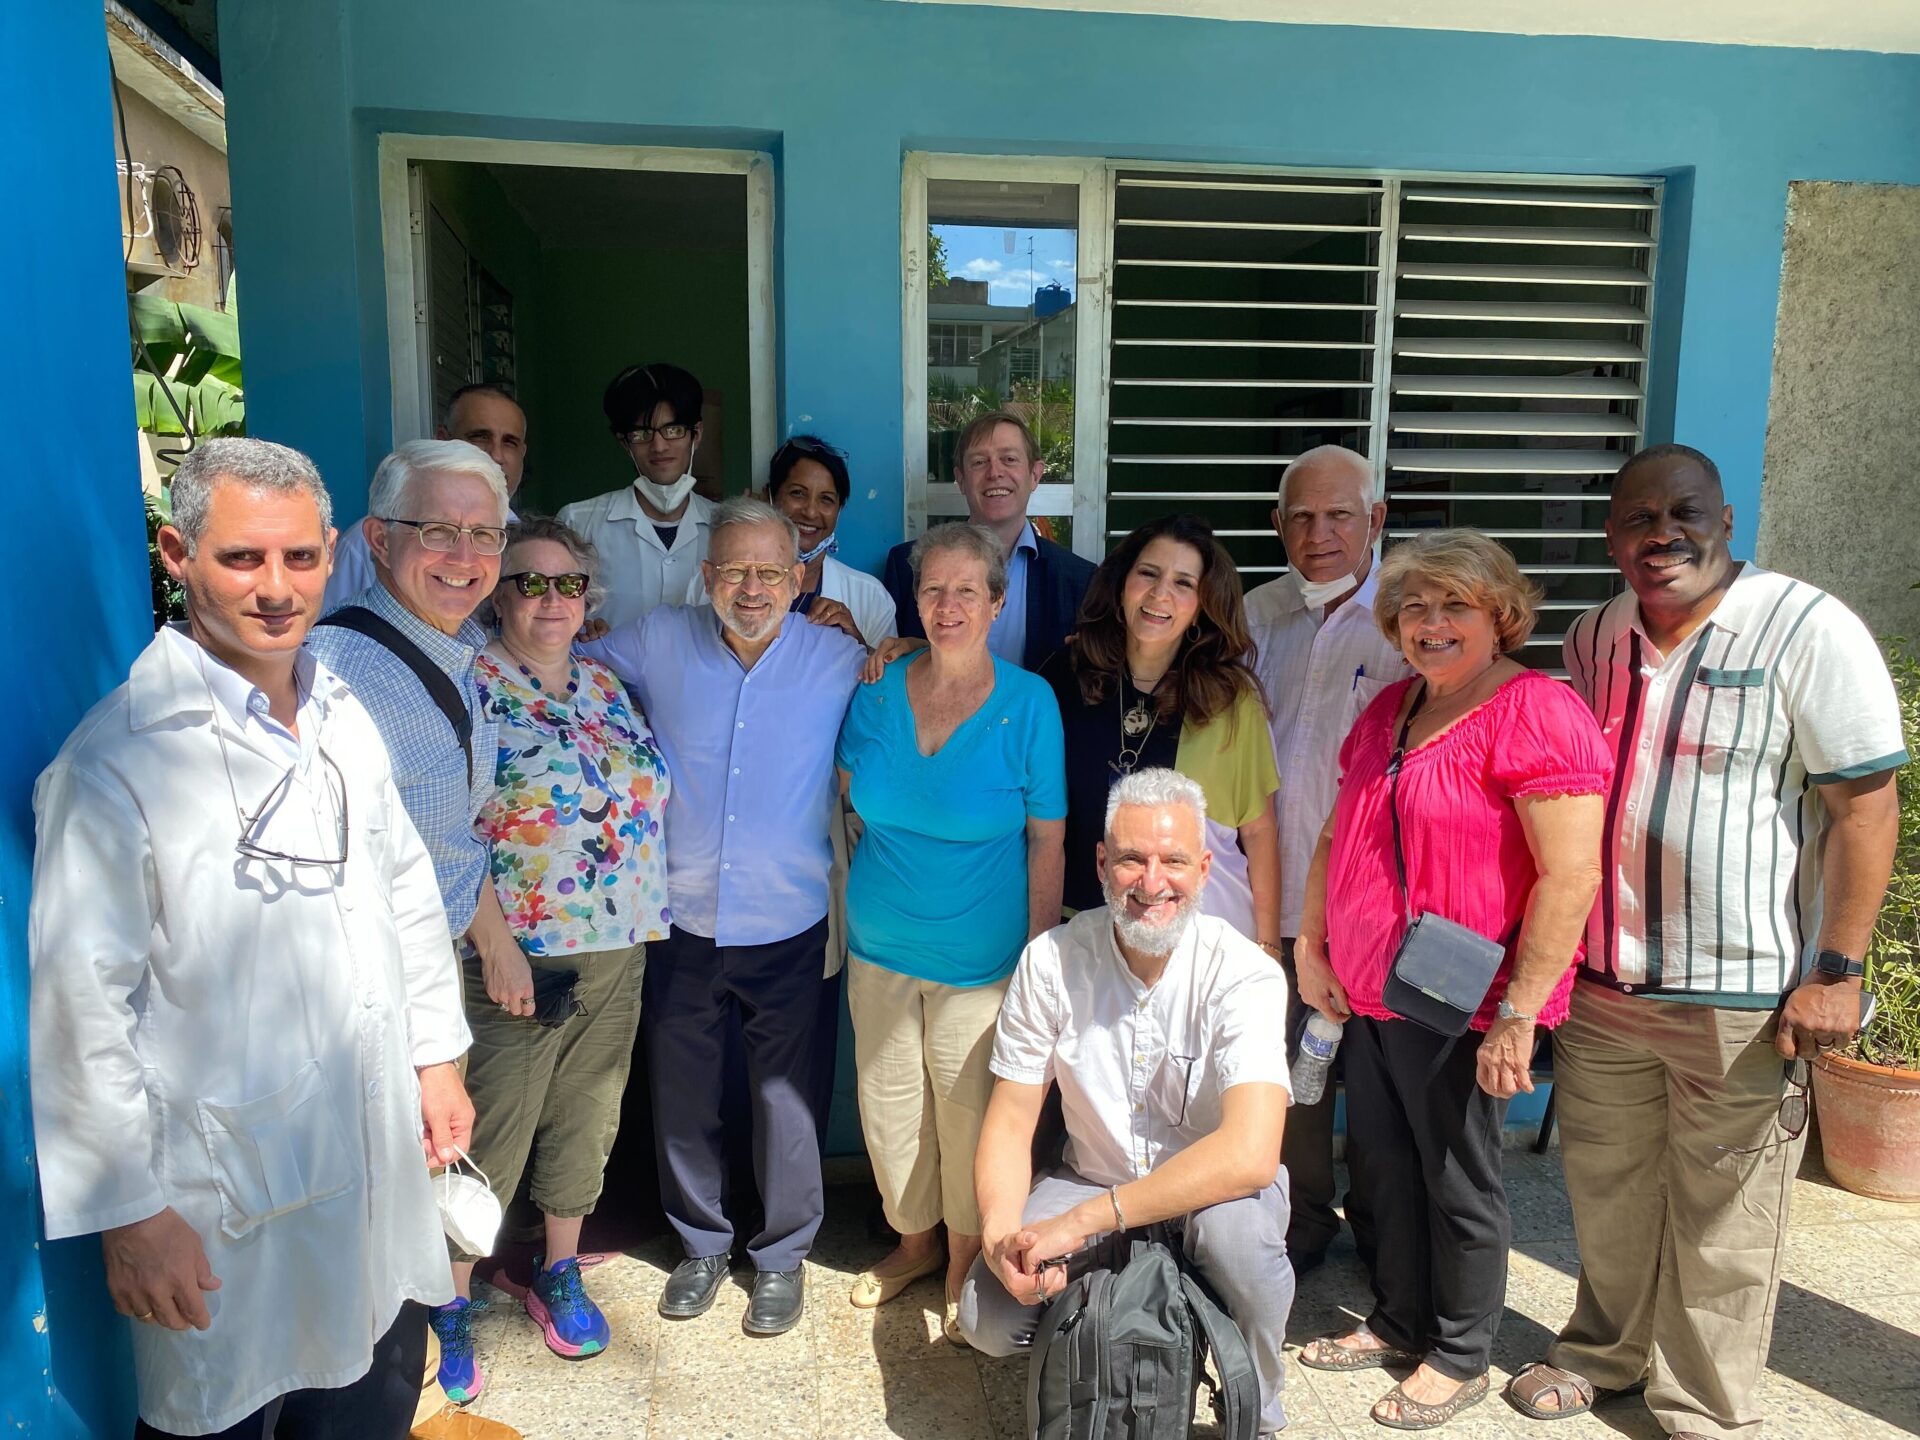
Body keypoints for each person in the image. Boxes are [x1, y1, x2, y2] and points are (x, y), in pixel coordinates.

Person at [28, 439, 474, 1440]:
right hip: (224, 1198)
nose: (277, 588)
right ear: (177, 554)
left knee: (371, 1389)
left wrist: (436, 1055)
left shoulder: (341, 712)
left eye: (299, 558)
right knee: (227, 1405)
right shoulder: (117, 764)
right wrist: (130, 1216)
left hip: (372, 1157)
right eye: (242, 558)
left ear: (330, 553)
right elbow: (79, 1011)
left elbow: (404, 886)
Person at [1512, 445, 1904, 1440]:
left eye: (1683, 511)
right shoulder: (1594, 635)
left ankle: (1703, 1406)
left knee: (1727, 1213)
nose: (1662, 534)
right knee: (1607, 1190)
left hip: (1741, 993)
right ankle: (1603, 1353)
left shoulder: (1808, 627)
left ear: (1725, 519)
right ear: (1612, 537)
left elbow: (1865, 807)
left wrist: (1837, 971)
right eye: (1638, 518)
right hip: (1606, 984)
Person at [1294, 529, 1609, 1430]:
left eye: (1454, 605)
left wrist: (1519, 1014)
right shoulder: (1393, 707)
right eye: (1414, 608)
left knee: (1456, 1177)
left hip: (1463, 999)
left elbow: (1570, 876)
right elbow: (1335, 833)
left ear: (1499, 614)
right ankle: (1399, 1319)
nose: (1430, 623)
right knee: (1385, 1165)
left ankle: (1463, 1351)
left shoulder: (1535, 709)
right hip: (1370, 987)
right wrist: (1312, 944)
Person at [582, 497, 867, 1337]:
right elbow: (559, 661)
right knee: (684, 1092)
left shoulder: (839, 657)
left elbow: (911, 679)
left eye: (770, 571)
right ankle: (701, 1244)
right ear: (707, 576)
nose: (752, 588)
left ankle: (782, 1256)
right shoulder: (655, 640)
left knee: (789, 1101)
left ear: (798, 577)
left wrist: (887, 645)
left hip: (788, 918)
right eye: (735, 570)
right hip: (681, 919)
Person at [958, 767, 1297, 1433]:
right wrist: (999, 1238)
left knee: (1241, 1247)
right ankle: (1098, 1347)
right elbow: (1010, 1121)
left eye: (1174, 861)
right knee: (985, 1315)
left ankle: (1254, 1399)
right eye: (1132, 859)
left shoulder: (1246, 974)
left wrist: (1086, 1221)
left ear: (1204, 869)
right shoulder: (1051, 961)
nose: (1152, 882)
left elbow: (1251, 1155)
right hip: (1094, 1173)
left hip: (1211, 1196)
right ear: (1100, 863)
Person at [430, 518, 672, 1387]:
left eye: (567, 583)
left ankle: (557, 1269)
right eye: (529, 582)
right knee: (490, 1134)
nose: (551, 600)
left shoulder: (606, 685)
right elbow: (447, 831)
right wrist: (492, 944)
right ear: (498, 595)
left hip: (618, 943)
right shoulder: (472, 686)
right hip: (514, 956)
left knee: (587, 1120)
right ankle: (450, 1302)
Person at [304, 439, 511, 1405]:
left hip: (428, 996)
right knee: (379, 1237)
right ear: (380, 541)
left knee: (413, 1219)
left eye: (485, 534)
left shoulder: (455, 651)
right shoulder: (341, 671)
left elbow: (449, 837)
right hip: (371, 1012)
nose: (465, 556)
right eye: (439, 531)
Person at [836, 522, 1067, 1341]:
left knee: (971, 1117)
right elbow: (847, 789)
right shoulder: (876, 691)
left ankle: (966, 1260)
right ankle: (913, 1245)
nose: (948, 605)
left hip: (983, 961)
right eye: (933, 589)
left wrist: (1039, 959)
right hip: (879, 950)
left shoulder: (1029, 704)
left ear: (997, 604)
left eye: (968, 590)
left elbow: (1048, 840)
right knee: (891, 1111)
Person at [1244, 444, 1410, 1271]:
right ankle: (1302, 1218)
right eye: (1302, 518)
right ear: (1278, 525)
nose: (1320, 534)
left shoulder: (1408, 617)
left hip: (1373, 905)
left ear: (1375, 519)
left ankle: (1384, 1239)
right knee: (1289, 1080)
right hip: (1271, 897)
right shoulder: (1255, 613)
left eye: (1340, 515)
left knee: (1378, 1089)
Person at [1041, 514, 1282, 948]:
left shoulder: (1229, 700)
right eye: (1148, 573)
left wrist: (1268, 947)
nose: (1159, 593)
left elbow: (1258, 831)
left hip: (1187, 937)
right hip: (1078, 928)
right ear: (1121, 585)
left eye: (1183, 583)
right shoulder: (1066, 676)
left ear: (1202, 605)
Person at [880, 411, 1094, 669]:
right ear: (961, 479)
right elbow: (887, 666)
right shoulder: (906, 566)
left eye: (1009, 459)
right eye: (979, 462)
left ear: (1035, 475)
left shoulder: (1080, 580)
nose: (995, 472)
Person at [326, 383, 528, 612]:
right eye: (438, 530)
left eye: (510, 442)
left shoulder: (523, 536)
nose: (496, 455)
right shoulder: (361, 546)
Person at [558, 363, 713, 629]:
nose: (659, 446)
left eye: (673, 430)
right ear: (624, 443)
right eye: (642, 434)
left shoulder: (724, 525)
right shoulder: (578, 523)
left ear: (696, 435)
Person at [767, 433, 897, 644]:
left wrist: (855, 644)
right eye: (798, 493)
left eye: (826, 499)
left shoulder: (871, 597)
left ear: (839, 509)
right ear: (770, 497)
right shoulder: (723, 586)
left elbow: (887, 665)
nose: (810, 512)